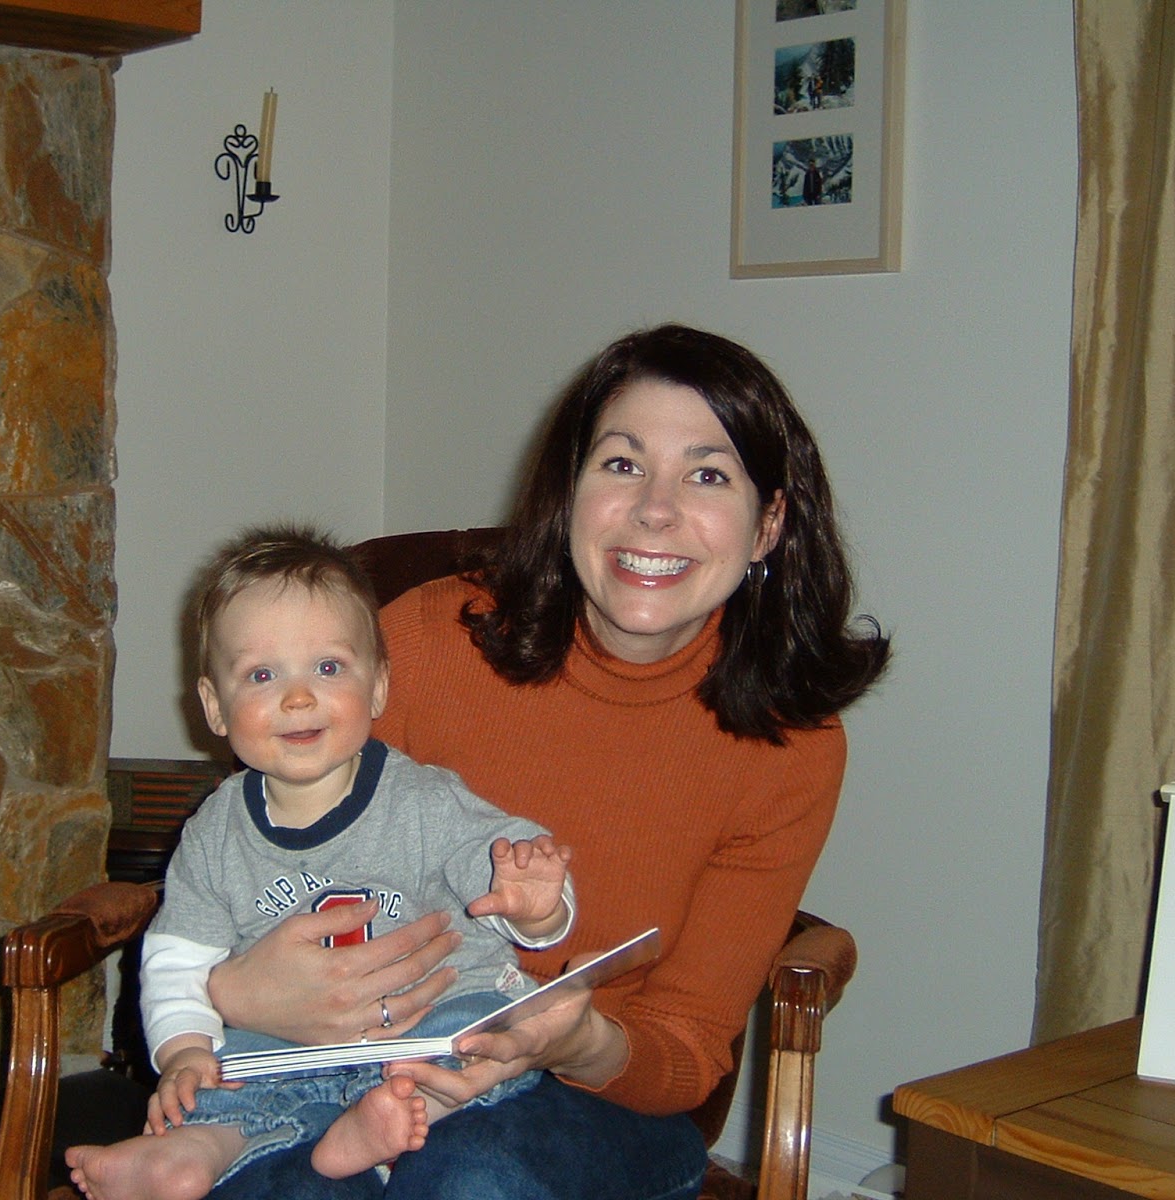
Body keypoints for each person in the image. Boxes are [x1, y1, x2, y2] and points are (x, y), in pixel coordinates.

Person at [202, 323, 890, 1200]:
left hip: (593, 1102)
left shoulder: (791, 746)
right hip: (346, 1058)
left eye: (708, 474)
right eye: (622, 463)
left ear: (769, 526)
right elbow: (241, 868)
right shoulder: (427, 642)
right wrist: (235, 991)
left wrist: (575, 1040)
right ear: (569, 495)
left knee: (471, 1176)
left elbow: (686, 1048)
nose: (654, 509)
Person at [66, 527, 577, 1200]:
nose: (299, 697)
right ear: (215, 706)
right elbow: (177, 958)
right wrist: (184, 1050)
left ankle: (385, 1120)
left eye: (329, 668)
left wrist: (537, 906)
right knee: (227, 1070)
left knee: (486, 1030)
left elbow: (503, 866)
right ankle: (192, 1152)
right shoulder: (215, 832)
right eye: (262, 675)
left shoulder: (424, 801)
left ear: (379, 687)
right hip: (289, 1042)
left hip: (425, 1023)